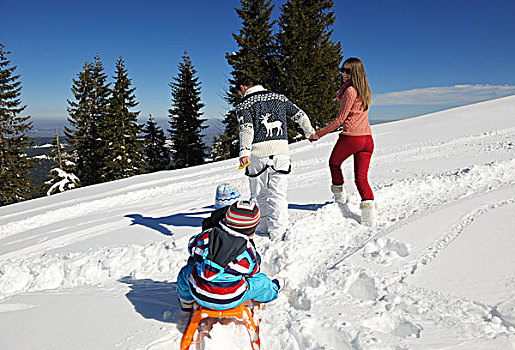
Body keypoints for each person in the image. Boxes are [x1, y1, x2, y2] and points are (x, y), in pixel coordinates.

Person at [235, 76, 316, 240]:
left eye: (239, 92)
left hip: (258, 155)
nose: (239, 95)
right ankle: (278, 232)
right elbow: (300, 115)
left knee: (259, 194)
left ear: (243, 87)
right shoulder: (279, 97)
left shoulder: (244, 104)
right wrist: (310, 132)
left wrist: (244, 152)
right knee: (278, 194)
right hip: (281, 153)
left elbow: (247, 129)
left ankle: (262, 228)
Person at [176, 200, 284, 311]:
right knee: (262, 282)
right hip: (231, 298)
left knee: (185, 272)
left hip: (199, 293)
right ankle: (274, 289)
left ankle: (186, 302)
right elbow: (253, 271)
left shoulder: (207, 236)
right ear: (252, 229)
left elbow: (191, 247)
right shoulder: (247, 250)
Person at [309, 57, 377, 227]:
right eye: (342, 69)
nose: (343, 73)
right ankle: (369, 219)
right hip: (367, 140)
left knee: (334, 163)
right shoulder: (365, 90)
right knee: (361, 179)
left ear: (355, 72)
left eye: (347, 71)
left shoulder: (350, 91)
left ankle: (339, 200)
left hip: (351, 138)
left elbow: (340, 119)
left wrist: (318, 134)